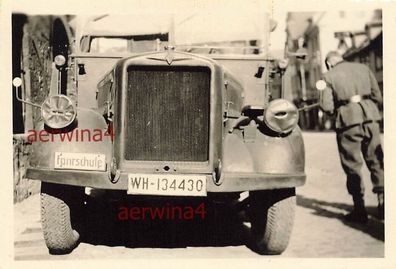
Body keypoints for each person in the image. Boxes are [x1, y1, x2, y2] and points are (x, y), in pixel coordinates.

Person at [320, 51, 384, 223]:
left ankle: (360, 209)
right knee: (376, 160)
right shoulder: (363, 68)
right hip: (371, 118)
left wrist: (336, 112)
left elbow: (326, 106)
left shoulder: (328, 76)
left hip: (348, 121)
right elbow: (377, 95)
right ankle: (383, 204)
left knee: (352, 165)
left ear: (329, 63)